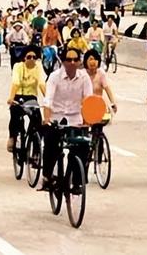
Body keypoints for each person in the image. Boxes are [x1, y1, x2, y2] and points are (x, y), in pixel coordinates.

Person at [39, 47, 93, 191]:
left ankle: (77, 182)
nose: (72, 63)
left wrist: (89, 120)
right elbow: (48, 100)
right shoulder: (54, 77)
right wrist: (47, 119)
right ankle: (47, 176)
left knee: (83, 146)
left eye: (75, 59)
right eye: (69, 60)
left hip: (75, 118)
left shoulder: (84, 77)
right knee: (51, 144)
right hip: (56, 117)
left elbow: (88, 99)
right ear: (63, 62)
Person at [6, 44, 46, 152]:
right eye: (29, 57)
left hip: (31, 97)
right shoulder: (18, 66)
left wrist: (48, 99)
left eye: (34, 57)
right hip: (18, 95)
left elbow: (42, 83)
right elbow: (16, 83)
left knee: (37, 120)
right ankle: (12, 137)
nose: (32, 59)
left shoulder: (39, 67)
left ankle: (37, 149)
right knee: (14, 114)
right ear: (24, 58)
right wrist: (11, 98)